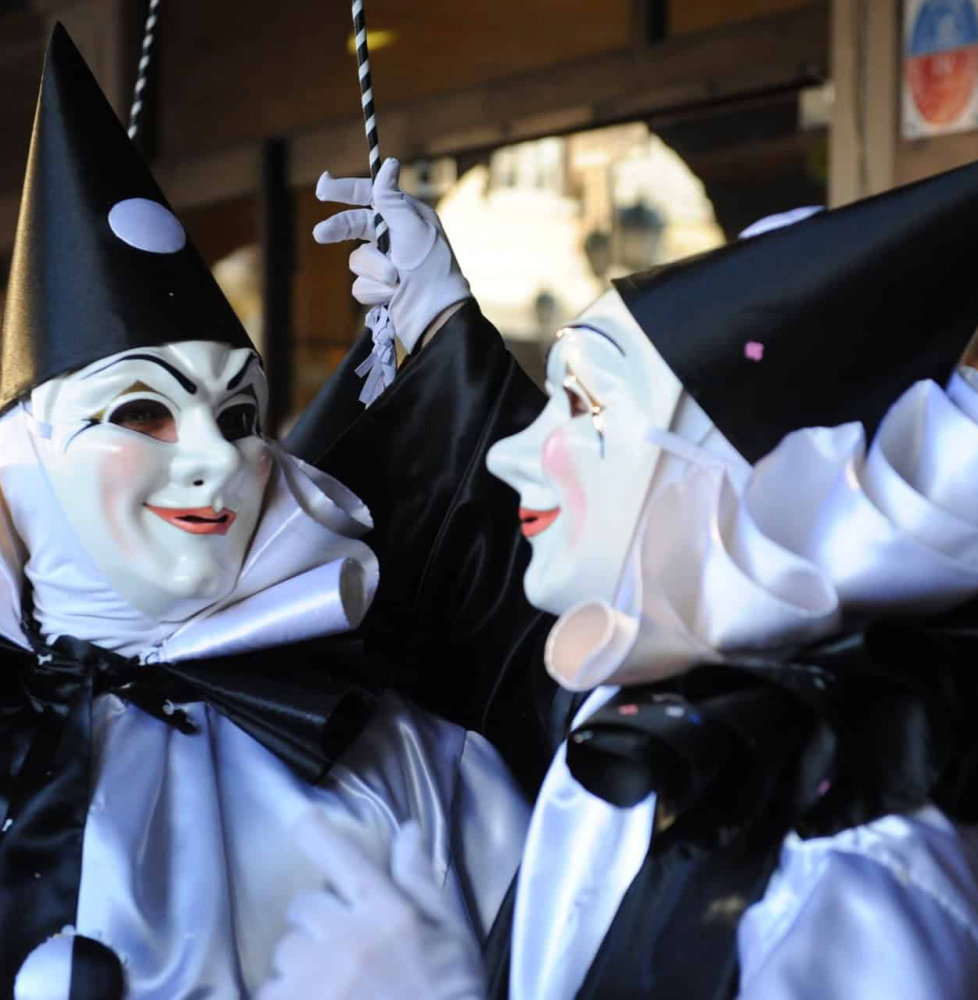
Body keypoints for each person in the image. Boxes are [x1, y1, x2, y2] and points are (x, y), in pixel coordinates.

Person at [264, 155, 978, 997]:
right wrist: (438, 325)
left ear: (752, 476)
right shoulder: (625, 721)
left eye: (582, 404)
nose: (508, 458)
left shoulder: (850, 859)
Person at [0, 26, 530, 997]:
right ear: (20, 464)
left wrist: (448, 347)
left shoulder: (411, 762)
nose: (219, 458)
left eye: (240, 415)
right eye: (140, 411)